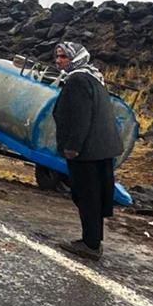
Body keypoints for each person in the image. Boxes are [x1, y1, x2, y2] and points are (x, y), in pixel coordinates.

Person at [51, 42, 123, 261]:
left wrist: (72, 147)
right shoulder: (94, 77)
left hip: (87, 149)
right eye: (57, 57)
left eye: (63, 57)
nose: (58, 61)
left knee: (86, 196)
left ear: (76, 58)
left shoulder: (77, 80)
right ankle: (92, 240)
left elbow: (80, 117)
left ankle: (90, 245)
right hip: (101, 148)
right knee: (94, 196)